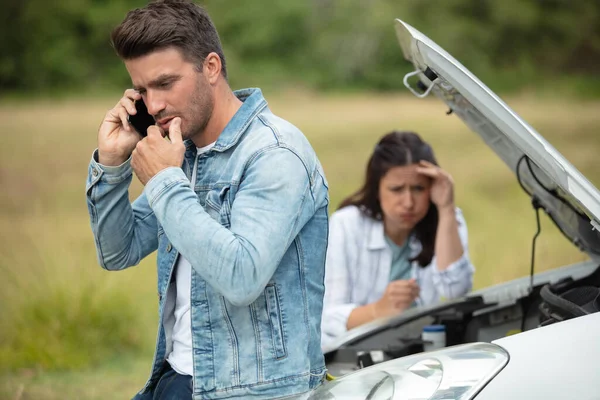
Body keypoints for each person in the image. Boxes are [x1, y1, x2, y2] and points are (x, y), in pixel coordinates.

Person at [84, 1, 329, 398]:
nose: (154, 104)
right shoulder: (183, 152)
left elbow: (242, 276)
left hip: (253, 390)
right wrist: (112, 165)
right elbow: (117, 252)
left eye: (165, 83)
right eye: (143, 90)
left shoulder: (275, 152)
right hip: (175, 379)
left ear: (211, 67)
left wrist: (164, 181)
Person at [321, 131, 475, 348]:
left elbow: (456, 291)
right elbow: (327, 319)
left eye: (418, 189)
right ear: (377, 188)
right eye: (396, 189)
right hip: (354, 360)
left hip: (424, 353)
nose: (408, 202)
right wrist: (379, 310)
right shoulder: (346, 224)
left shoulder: (448, 218)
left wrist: (446, 207)